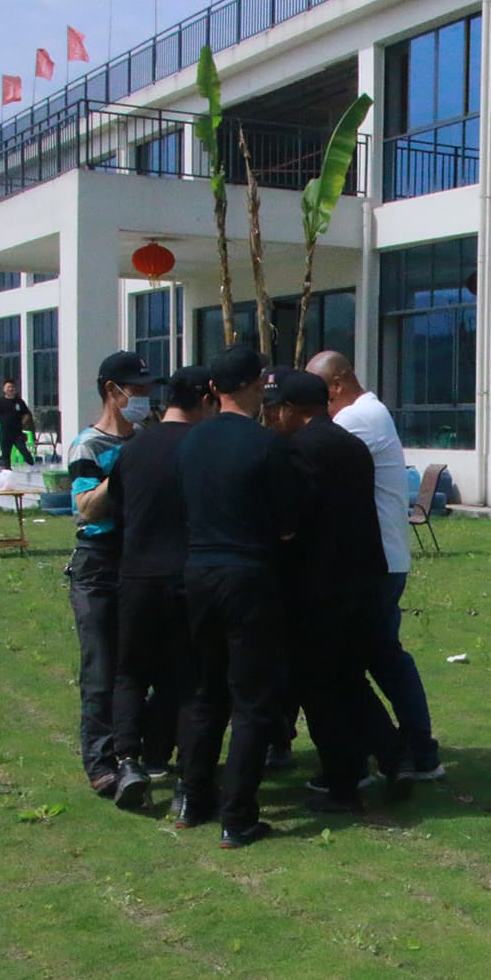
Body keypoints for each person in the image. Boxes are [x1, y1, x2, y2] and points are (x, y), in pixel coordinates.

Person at [176, 343, 302, 849]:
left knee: (205, 693)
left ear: (213, 389)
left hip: (198, 571)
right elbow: (288, 524)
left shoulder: (191, 441)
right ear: (256, 386)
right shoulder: (266, 444)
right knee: (251, 699)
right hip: (247, 573)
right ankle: (238, 815)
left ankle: (192, 798)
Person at [263, 367, 396, 814]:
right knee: (352, 679)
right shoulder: (352, 445)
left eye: (274, 409)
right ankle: (395, 757)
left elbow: (290, 522)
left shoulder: (297, 450)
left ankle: (343, 784)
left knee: (319, 687)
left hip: (318, 586)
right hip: (364, 577)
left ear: (290, 409)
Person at [305, 350, 442, 782]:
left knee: (363, 661)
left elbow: (311, 449)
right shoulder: (370, 412)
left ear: (338, 384)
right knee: (378, 658)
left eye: (316, 394)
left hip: (375, 560)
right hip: (382, 556)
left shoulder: (355, 419)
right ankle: (408, 749)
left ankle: (400, 751)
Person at [108, 365, 215, 812]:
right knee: (190, 680)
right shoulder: (204, 448)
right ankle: (189, 778)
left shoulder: (134, 449)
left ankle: (128, 761)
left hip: (137, 574)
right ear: (207, 399)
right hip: (188, 574)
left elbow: (115, 507)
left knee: (130, 673)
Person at [64, 351, 162, 799]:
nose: (144, 397)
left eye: (147, 389)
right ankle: (101, 763)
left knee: (141, 666)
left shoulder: (146, 437)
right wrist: (123, 470)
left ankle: (137, 753)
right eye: (136, 389)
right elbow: (85, 507)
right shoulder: (89, 446)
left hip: (139, 559)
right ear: (112, 391)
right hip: (98, 564)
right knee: (101, 670)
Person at [0, 380, 36, 470]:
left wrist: (21, 422)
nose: (11, 389)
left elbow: (26, 414)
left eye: (12, 387)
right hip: (5, 431)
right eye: (8, 387)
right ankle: (7, 469)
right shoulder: (0, 402)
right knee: (6, 453)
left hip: (17, 432)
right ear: (4, 389)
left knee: (22, 448)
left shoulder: (19, 401)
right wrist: (1, 422)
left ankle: (30, 461)